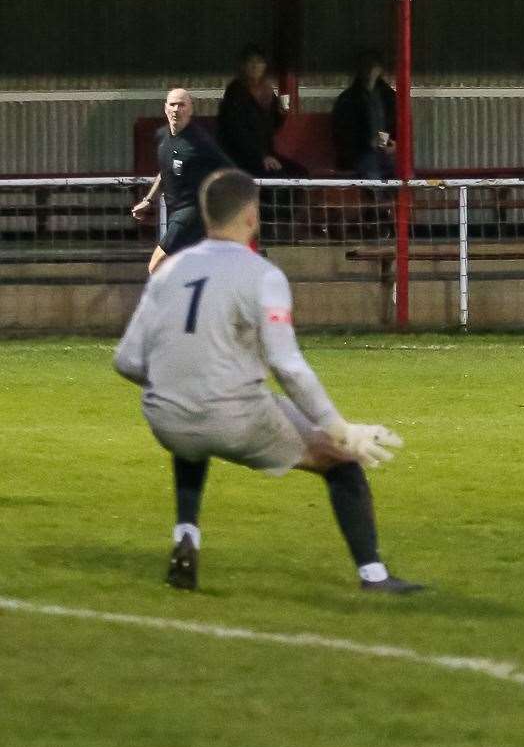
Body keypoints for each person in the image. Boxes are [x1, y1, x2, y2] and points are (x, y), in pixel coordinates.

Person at [113, 169, 421, 593]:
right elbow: (288, 365)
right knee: (341, 461)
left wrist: (173, 381)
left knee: (192, 431)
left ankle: (187, 531)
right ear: (252, 215)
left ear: (205, 216)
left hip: (168, 418)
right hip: (233, 416)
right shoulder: (261, 274)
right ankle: (375, 576)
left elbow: (127, 360)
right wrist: (340, 429)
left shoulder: (169, 270)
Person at [130, 88, 233, 274]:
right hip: (174, 212)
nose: (177, 109)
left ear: (190, 109)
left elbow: (229, 172)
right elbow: (165, 172)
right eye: (172, 104)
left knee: (156, 265)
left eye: (182, 105)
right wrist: (148, 200)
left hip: (191, 214)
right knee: (191, 271)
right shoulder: (163, 137)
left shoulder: (200, 142)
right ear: (165, 108)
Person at [217, 44, 305, 178]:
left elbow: (273, 126)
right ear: (243, 66)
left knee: (299, 173)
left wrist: (281, 113)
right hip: (242, 156)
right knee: (278, 177)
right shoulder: (235, 92)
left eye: (259, 62)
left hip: (266, 153)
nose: (255, 66)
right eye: (251, 62)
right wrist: (261, 156)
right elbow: (236, 132)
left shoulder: (266, 90)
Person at [332, 52, 397, 179]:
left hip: (385, 152)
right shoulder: (348, 99)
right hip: (358, 154)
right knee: (373, 170)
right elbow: (342, 133)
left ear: (380, 69)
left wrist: (395, 143)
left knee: (400, 172)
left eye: (374, 66)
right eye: (366, 65)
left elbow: (397, 124)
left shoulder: (389, 96)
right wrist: (367, 143)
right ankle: (378, 198)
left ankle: (391, 198)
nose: (370, 70)